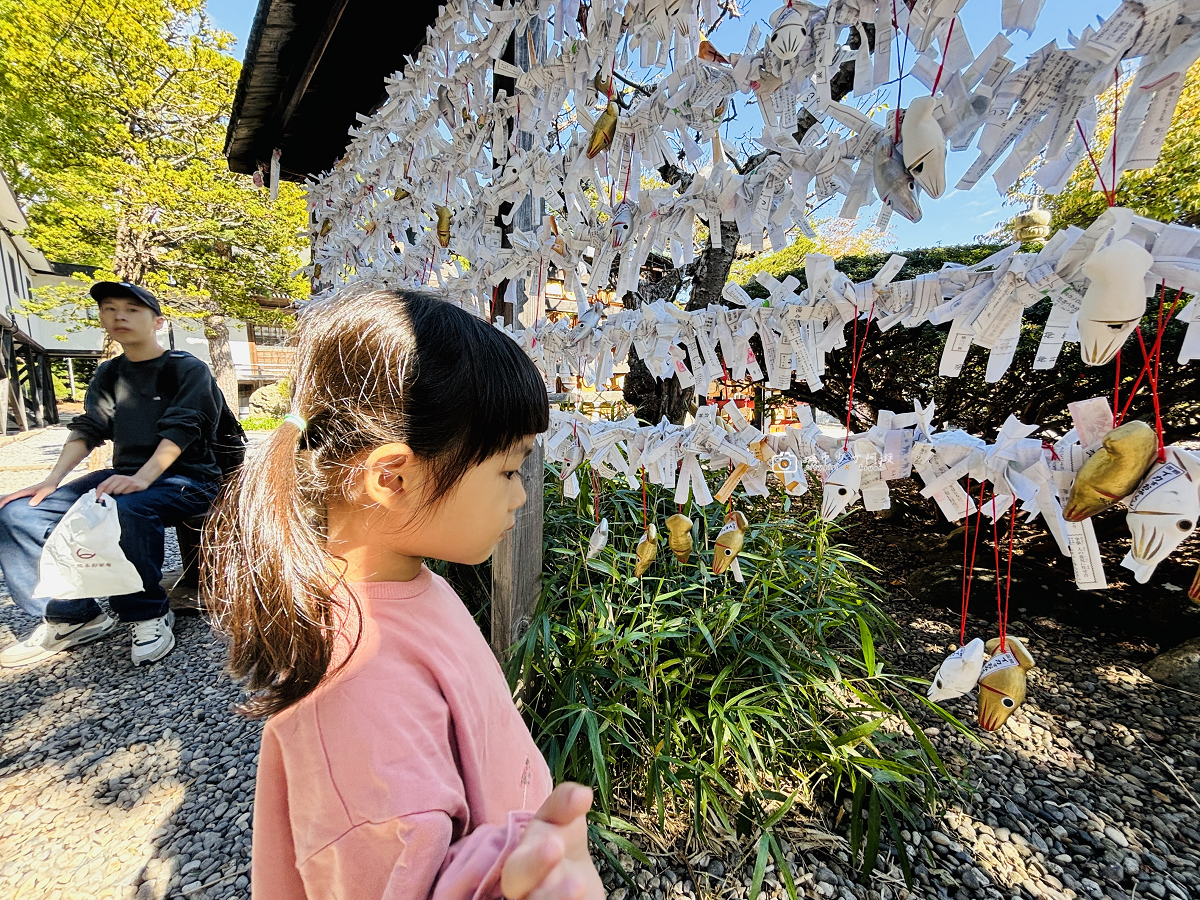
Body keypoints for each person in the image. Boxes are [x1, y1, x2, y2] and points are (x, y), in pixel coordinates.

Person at [204, 286, 602, 900]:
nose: (520, 495)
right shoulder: (358, 686)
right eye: (508, 469)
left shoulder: (409, 583)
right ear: (393, 477)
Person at [0, 281, 223, 668]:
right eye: (109, 308)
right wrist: (51, 481)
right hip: (125, 476)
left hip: (189, 478)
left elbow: (184, 427)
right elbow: (89, 427)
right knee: (20, 513)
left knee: (128, 508)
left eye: (132, 309)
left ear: (157, 321)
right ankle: (72, 615)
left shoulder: (186, 369)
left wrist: (143, 478)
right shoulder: (110, 373)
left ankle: (147, 612)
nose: (119, 315)